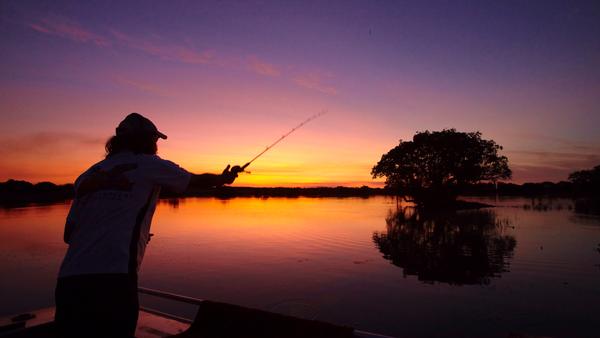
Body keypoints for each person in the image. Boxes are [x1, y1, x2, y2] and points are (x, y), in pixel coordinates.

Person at [55, 113, 240, 337]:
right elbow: (195, 180)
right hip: (114, 278)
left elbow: (69, 234)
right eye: (155, 140)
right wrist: (224, 178)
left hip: (69, 283)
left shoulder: (88, 174)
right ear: (144, 140)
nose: (156, 145)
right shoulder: (149, 164)